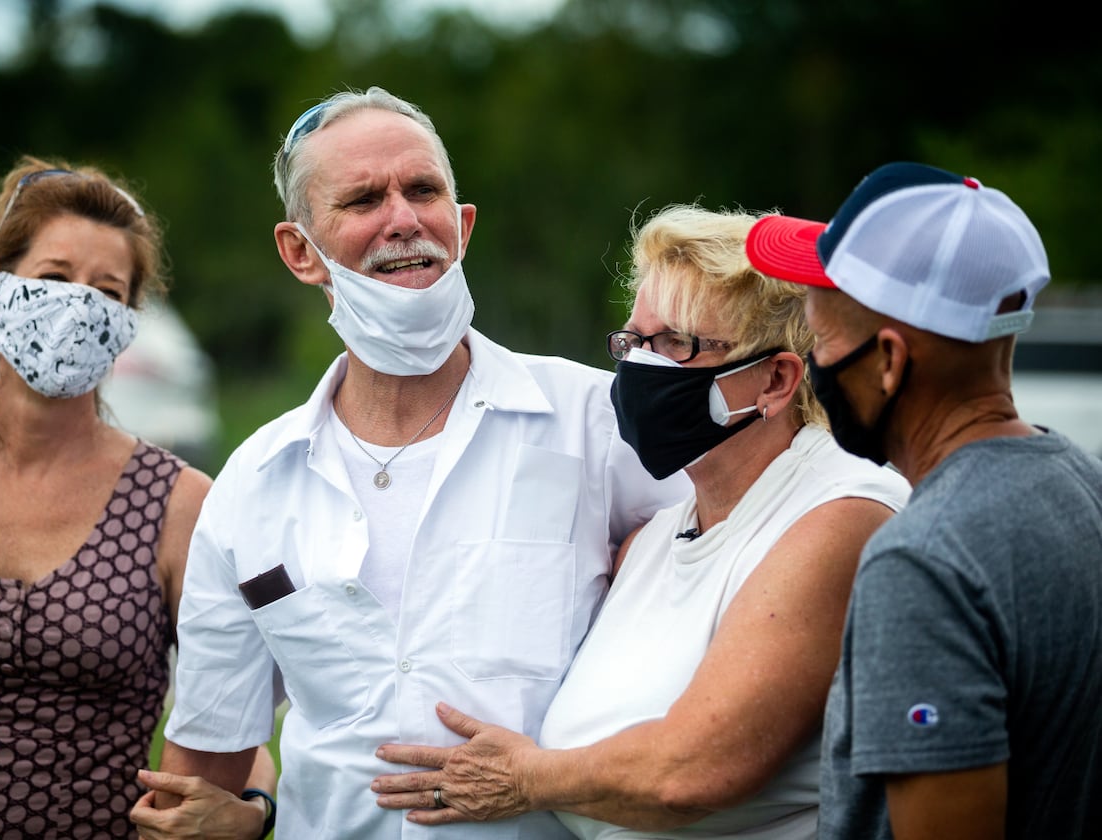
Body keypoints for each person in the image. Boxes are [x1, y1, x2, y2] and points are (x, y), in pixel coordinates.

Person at [129, 86, 689, 840]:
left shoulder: (598, 422)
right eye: (363, 199)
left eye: (422, 189)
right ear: (301, 252)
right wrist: (252, 816)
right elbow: (201, 771)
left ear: (462, 225)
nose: (402, 218)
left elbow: (731, 580)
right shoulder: (254, 486)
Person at [370, 203, 911, 838]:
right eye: (633, 341)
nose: (639, 368)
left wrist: (527, 779)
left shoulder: (840, 511)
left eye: (676, 344)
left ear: (775, 381)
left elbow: (696, 772)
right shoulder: (656, 538)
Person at [0, 155, 274, 839]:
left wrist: (252, 813)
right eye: (53, 278)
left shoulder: (180, 505)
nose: (79, 306)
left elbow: (239, 729)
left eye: (108, 290)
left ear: (129, 323)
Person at [744, 161, 1102, 839]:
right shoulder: (1084, 486)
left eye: (821, 341)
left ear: (888, 360)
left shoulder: (924, 563)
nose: (816, 368)